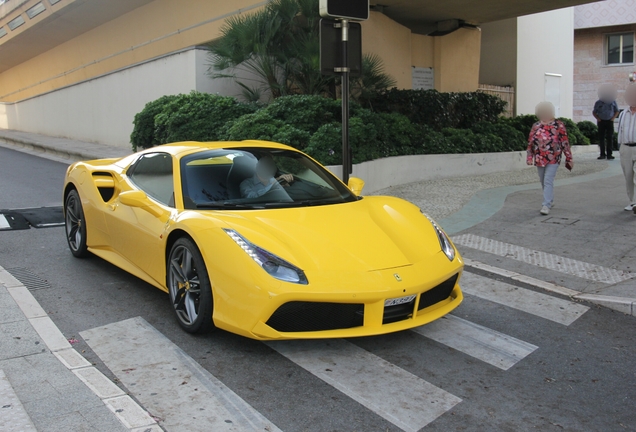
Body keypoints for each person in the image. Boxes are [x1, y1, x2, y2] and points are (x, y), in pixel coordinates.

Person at [527, 101, 573, 215]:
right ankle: (549, 199)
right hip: (539, 157)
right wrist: (529, 157)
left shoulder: (559, 125)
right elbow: (530, 142)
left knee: (548, 180)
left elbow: (564, 142)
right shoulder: (536, 125)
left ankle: (546, 205)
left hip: (554, 157)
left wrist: (569, 157)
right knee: (543, 180)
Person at [617, 85, 636, 212]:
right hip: (625, 148)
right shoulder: (623, 113)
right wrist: (620, 147)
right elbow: (620, 130)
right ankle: (632, 201)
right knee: (628, 176)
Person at [593, 84, 619, 160]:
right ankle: (602, 154)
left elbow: (617, 111)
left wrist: (613, 118)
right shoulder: (598, 102)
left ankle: (609, 154)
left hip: (609, 121)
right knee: (601, 138)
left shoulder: (613, 101)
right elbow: (594, 112)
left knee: (610, 138)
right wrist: (598, 118)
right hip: (601, 121)